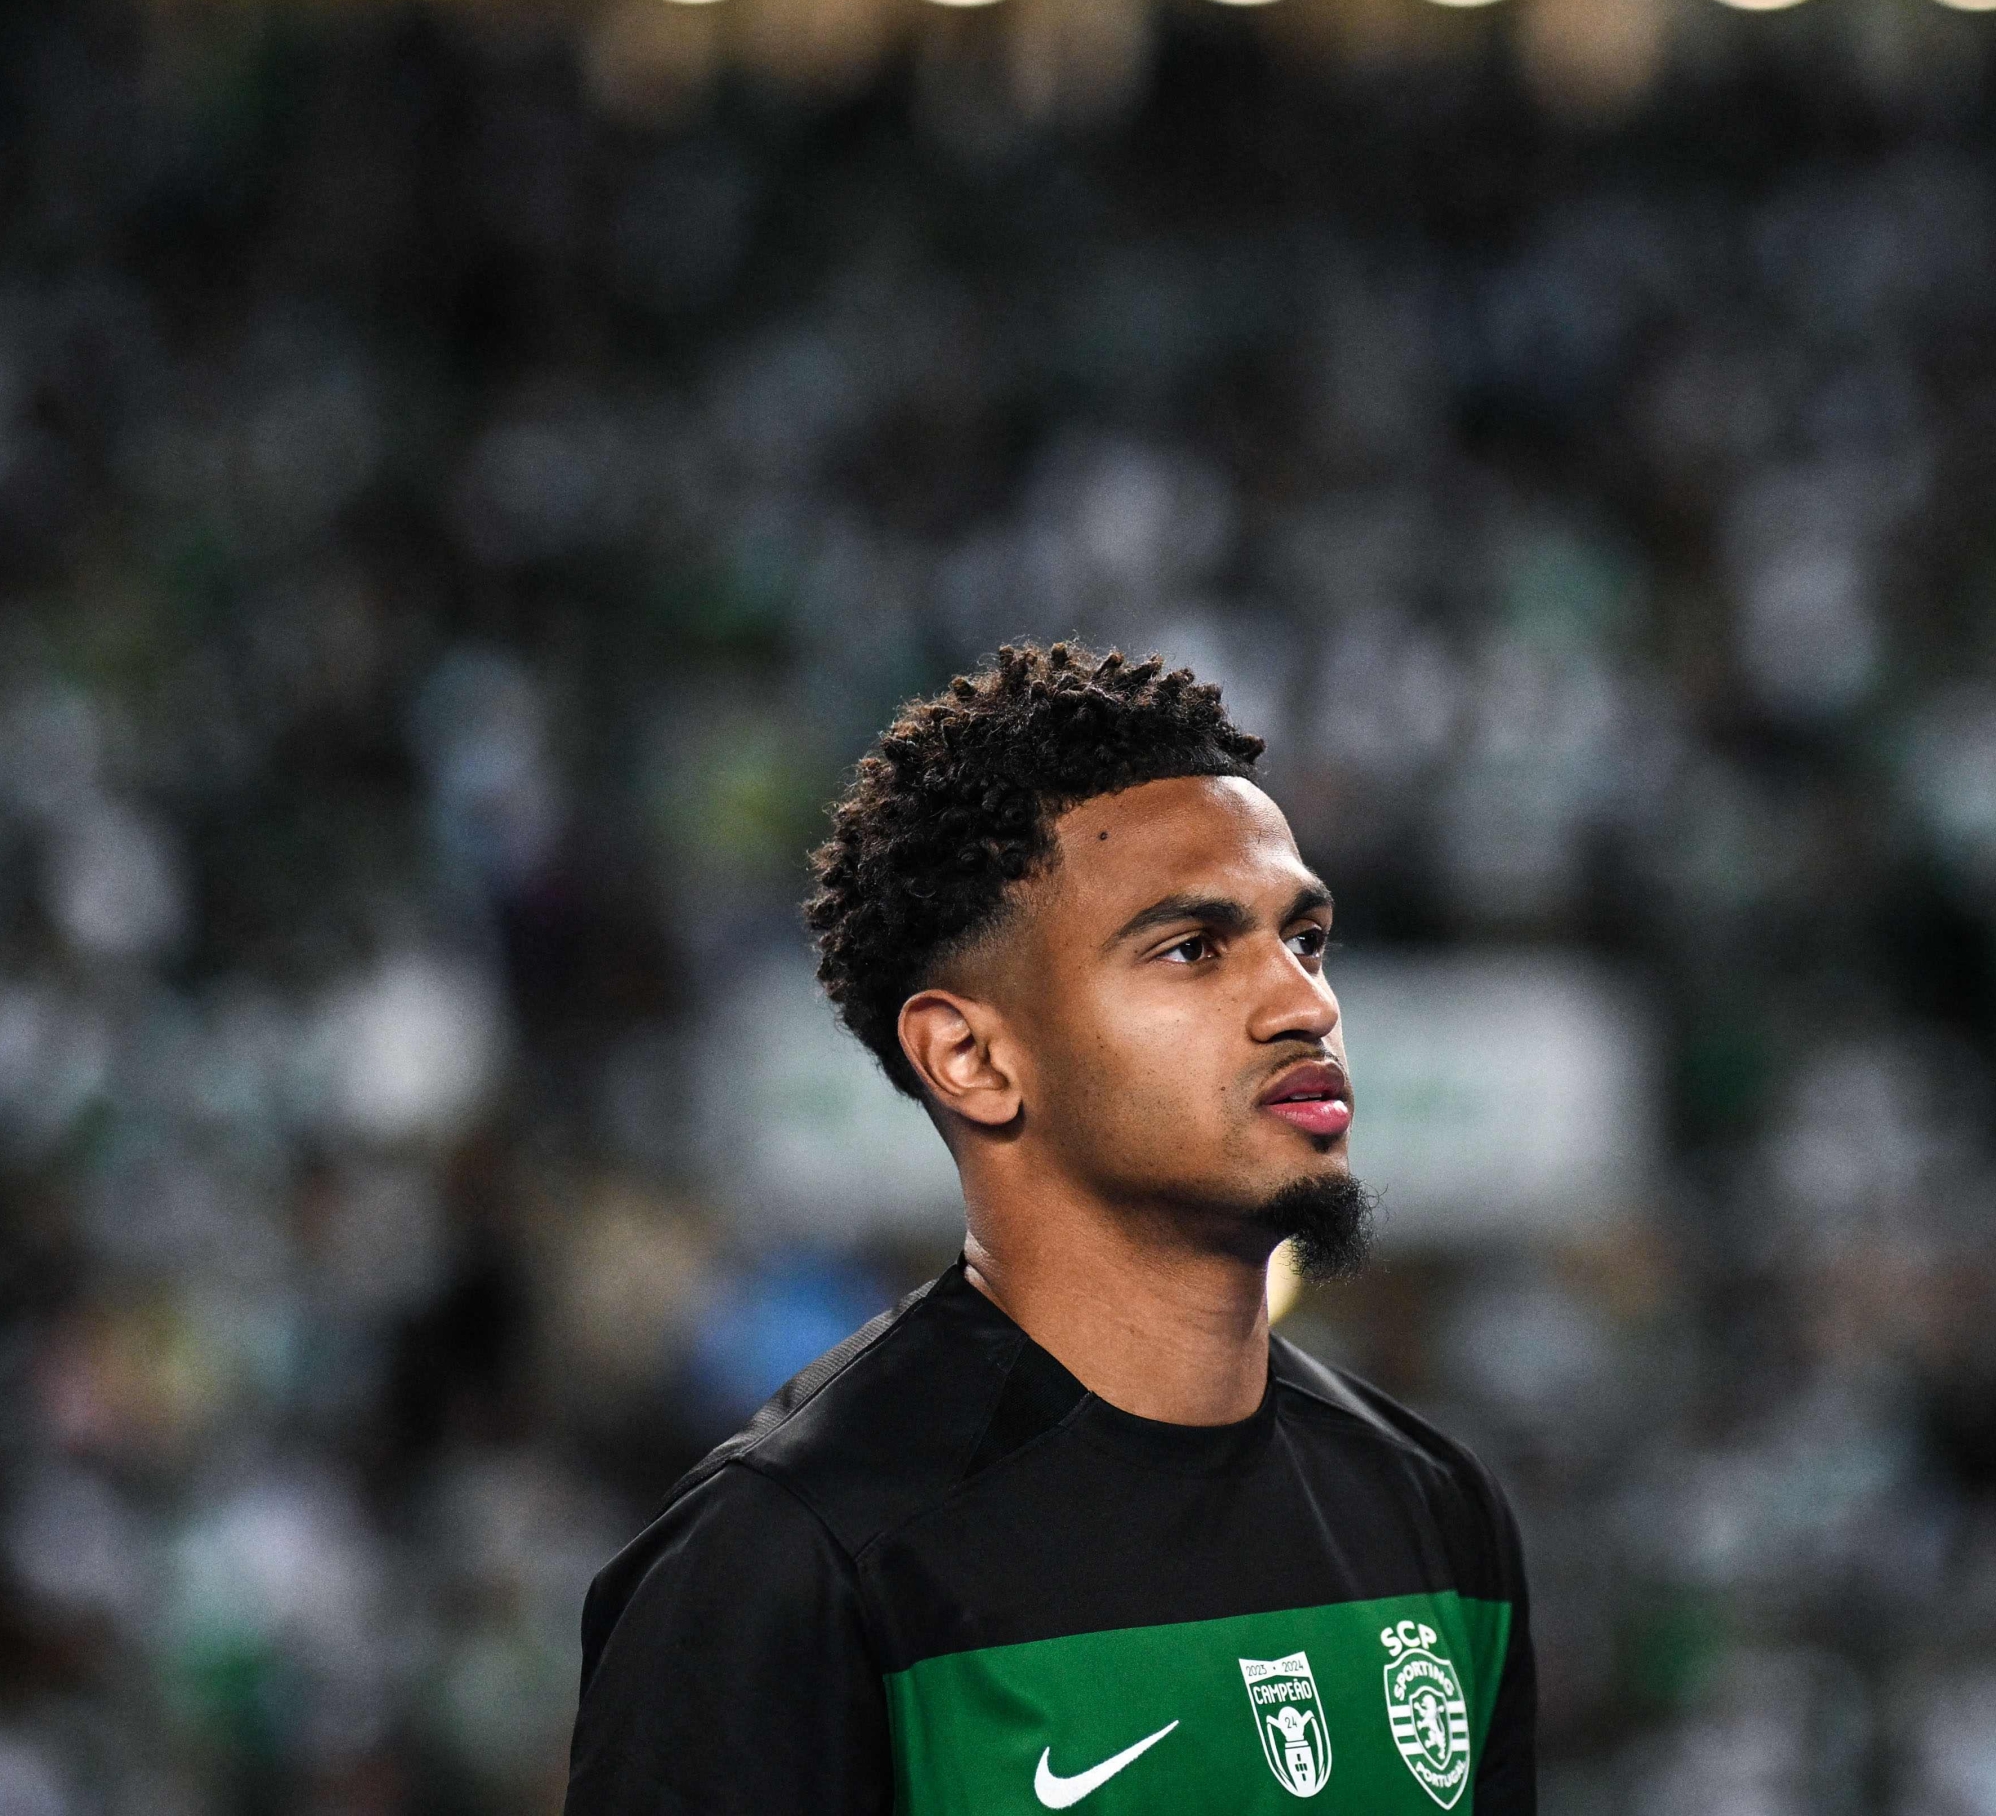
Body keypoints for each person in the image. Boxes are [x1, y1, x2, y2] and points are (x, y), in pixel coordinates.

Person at [566, 641, 1536, 1813]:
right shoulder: (792, 1559)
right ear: (971, 1056)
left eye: (1305, 937)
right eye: (1192, 949)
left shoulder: (1432, 1508)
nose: (1305, 1001)